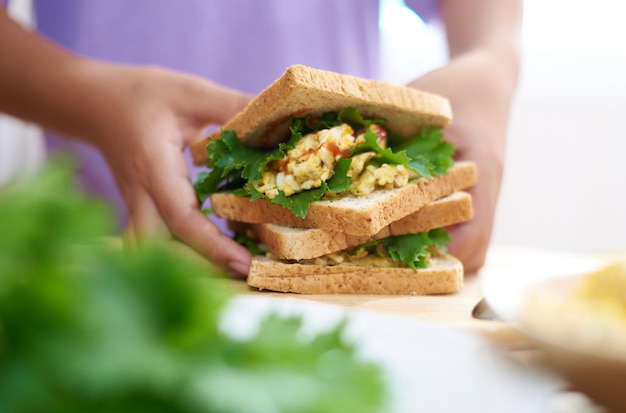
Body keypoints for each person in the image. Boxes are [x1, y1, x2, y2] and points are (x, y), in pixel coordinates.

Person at [0, 0, 521, 276]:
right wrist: (92, 99)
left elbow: (487, 15)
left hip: (346, 262)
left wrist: (492, 61)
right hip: (98, 250)